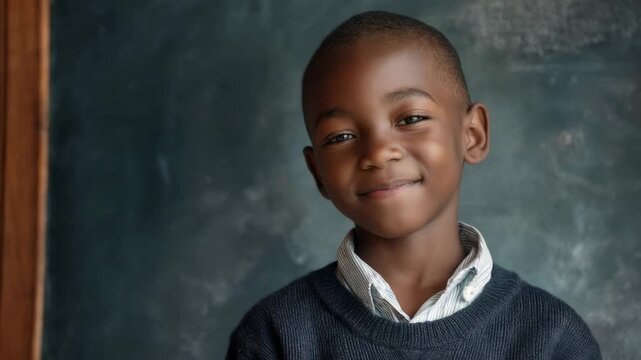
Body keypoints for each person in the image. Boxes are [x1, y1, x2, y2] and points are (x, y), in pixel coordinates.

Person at [226, 10, 601, 359]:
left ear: (472, 135)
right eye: (340, 137)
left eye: (410, 118)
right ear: (317, 172)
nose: (378, 152)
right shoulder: (275, 335)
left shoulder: (551, 336)